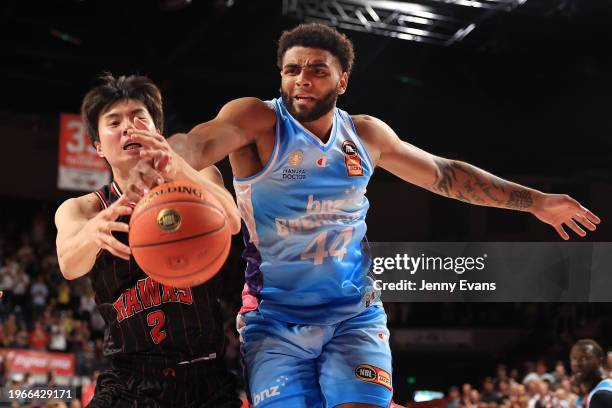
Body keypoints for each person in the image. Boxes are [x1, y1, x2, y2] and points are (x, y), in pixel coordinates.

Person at [125, 23, 601, 408]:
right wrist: (170, 154)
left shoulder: (366, 136)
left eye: (316, 70)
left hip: (354, 316)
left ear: (343, 80)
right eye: (292, 70)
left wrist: (536, 201)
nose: (302, 80)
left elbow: (446, 174)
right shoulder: (257, 121)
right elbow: (203, 141)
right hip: (274, 320)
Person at [54, 74, 242, 407]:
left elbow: (231, 223)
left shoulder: (200, 178)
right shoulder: (84, 208)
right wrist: (96, 229)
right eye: (114, 122)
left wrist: (179, 168)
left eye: (139, 117)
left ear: (157, 129)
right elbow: (69, 263)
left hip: (206, 378)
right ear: (97, 145)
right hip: (129, 382)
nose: (129, 127)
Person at [570, 339, 612, 408]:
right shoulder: (604, 388)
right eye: (574, 358)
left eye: (585, 358)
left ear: (600, 360)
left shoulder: (601, 396)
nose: (577, 363)